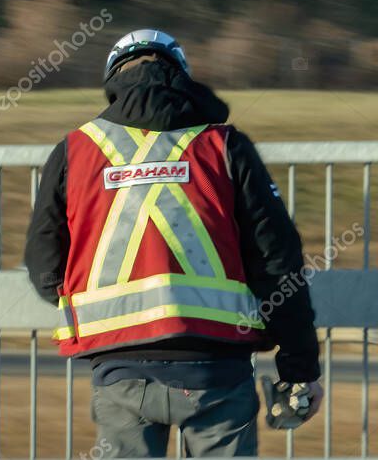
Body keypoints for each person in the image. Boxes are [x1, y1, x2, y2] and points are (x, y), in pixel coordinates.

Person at [24, 29, 323, 457]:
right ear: (183, 76)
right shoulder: (224, 146)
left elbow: (44, 265)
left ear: (112, 81)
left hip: (120, 369)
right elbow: (278, 261)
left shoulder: (75, 151)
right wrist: (298, 366)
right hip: (217, 368)